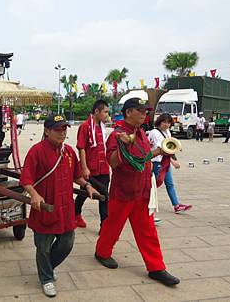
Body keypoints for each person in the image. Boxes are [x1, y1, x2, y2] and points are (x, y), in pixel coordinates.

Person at [95, 98, 180, 286]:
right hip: (124, 191)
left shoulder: (140, 132)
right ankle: (102, 252)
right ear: (128, 112)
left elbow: (144, 156)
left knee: (148, 231)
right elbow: (113, 162)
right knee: (113, 226)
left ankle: (156, 268)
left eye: (145, 110)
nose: (144, 114)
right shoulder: (117, 134)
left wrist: (161, 151)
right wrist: (123, 146)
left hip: (142, 191)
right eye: (140, 110)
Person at [20, 114, 99, 297]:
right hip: (45, 207)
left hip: (65, 208)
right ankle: (46, 278)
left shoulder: (69, 152)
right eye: (57, 129)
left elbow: (77, 176)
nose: (62, 133)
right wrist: (34, 194)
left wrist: (87, 186)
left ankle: (46, 269)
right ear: (47, 131)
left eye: (64, 129)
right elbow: (26, 179)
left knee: (67, 243)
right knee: (43, 247)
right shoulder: (36, 151)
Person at [74, 99, 110, 228]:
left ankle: (104, 225)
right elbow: (81, 147)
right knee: (84, 194)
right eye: (105, 112)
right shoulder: (85, 126)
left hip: (104, 168)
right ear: (96, 111)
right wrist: (84, 167)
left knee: (104, 196)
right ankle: (75, 214)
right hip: (91, 168)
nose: (107, 115)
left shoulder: (102, 126)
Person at [148, 113, 192, 214]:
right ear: (159, 122)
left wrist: (173, 158)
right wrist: (173, 162)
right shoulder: (154, 133)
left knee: (170, 184)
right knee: (153, 185)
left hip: (165, 161)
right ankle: (146, 206)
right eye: (164, 122)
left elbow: (170, 146)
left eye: (168, 122)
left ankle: (176, 205)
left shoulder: (167, 131)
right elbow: (162, 150)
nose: (166, 125)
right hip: (156, 162)